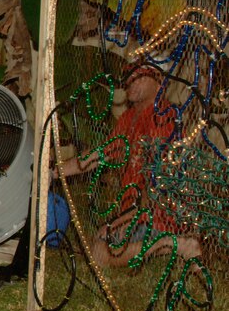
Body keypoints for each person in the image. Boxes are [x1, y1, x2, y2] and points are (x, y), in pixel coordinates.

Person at [57, 64, 201, 265]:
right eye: (129, 74)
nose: (130, 80)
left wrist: (121, 222)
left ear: (159, 83)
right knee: (90, 247)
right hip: (136, 214)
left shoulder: (164, 118)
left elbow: (156, 189)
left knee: (98, 255)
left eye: (140, 76)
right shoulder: (129, 117)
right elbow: (99, 155)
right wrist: (55, 171)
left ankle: (173, 243)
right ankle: (164, 245)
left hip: (159, 216)